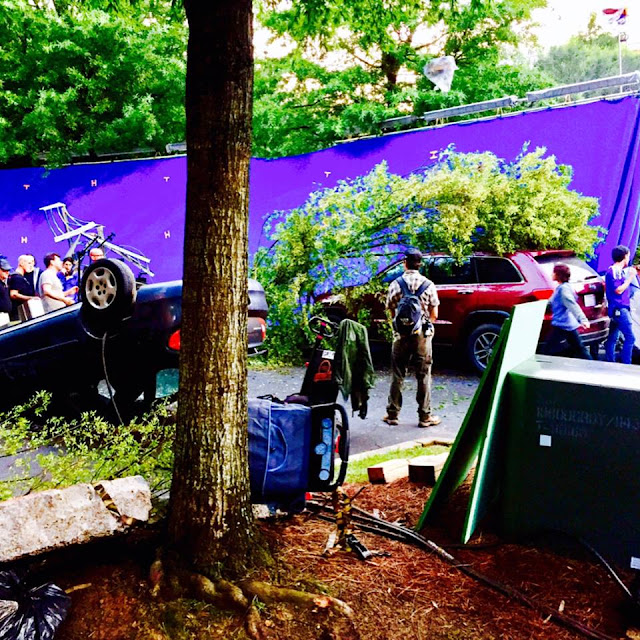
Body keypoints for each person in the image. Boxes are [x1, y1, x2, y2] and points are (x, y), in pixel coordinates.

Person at [383, 248, 441, 428]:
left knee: (398, 373)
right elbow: (435, 314)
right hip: (421, 335)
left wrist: (400, 325)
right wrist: (424, 325)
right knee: (423, 375)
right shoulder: (429, 285)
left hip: (400, 335)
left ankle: (392, 414)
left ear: (405, 264)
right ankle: (425, 416)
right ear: (420, 265)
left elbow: (390, 309)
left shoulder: (395, 284)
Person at [544, 263, 591, 359]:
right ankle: (590, 364)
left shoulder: (563, 289)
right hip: (567, 324)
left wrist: (583, 319)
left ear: (558, 275)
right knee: (579, 349)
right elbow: (550, 303)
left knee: (547, 351)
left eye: (553, 272)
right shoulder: (563, 287)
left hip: (562, 324)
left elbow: (572, 304)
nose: (551, 274)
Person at [604, 245, 636, 364]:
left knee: (613, 337)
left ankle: (610, 360)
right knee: (630, 337)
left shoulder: (617, 271)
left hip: (616, 308)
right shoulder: (615, 271)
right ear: (624, 256)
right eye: (628, 256)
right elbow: (618, 290)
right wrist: (631, 277)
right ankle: (626, 363)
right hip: (620, 308)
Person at [8, 255, 40, 321]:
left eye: (32, 263)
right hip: (18, 315)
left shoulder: (21, 277)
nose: (31, 266)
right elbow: (13, 294)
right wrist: (31, 298)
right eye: (29, 263)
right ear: (21, 263)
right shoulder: (17, 278)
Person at [0, 257, 12, 327]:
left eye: (8, 270)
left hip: (5, 316)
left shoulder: (3, 283)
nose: (7, 272)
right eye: (4, 270)